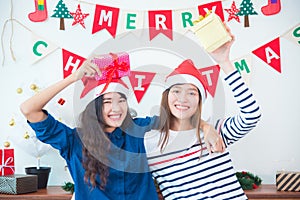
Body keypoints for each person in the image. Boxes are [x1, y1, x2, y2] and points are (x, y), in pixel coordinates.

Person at [20, 55, 223, 199]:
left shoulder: (141, 129)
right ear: (95, 106)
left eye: (121, 100)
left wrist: (206, 127)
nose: (116, 108)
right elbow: (29, 109)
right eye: (107, 101)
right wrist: (73, 78)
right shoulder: (73, 140)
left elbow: (179, 118)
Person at [144, 31, 262, 199]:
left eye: (192, 93)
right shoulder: (149, 143)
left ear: (200, 101)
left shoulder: (217, 131)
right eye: (176, 90)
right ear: (166, 96)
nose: (183, 99)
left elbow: (251, 115)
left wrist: (224, 62)